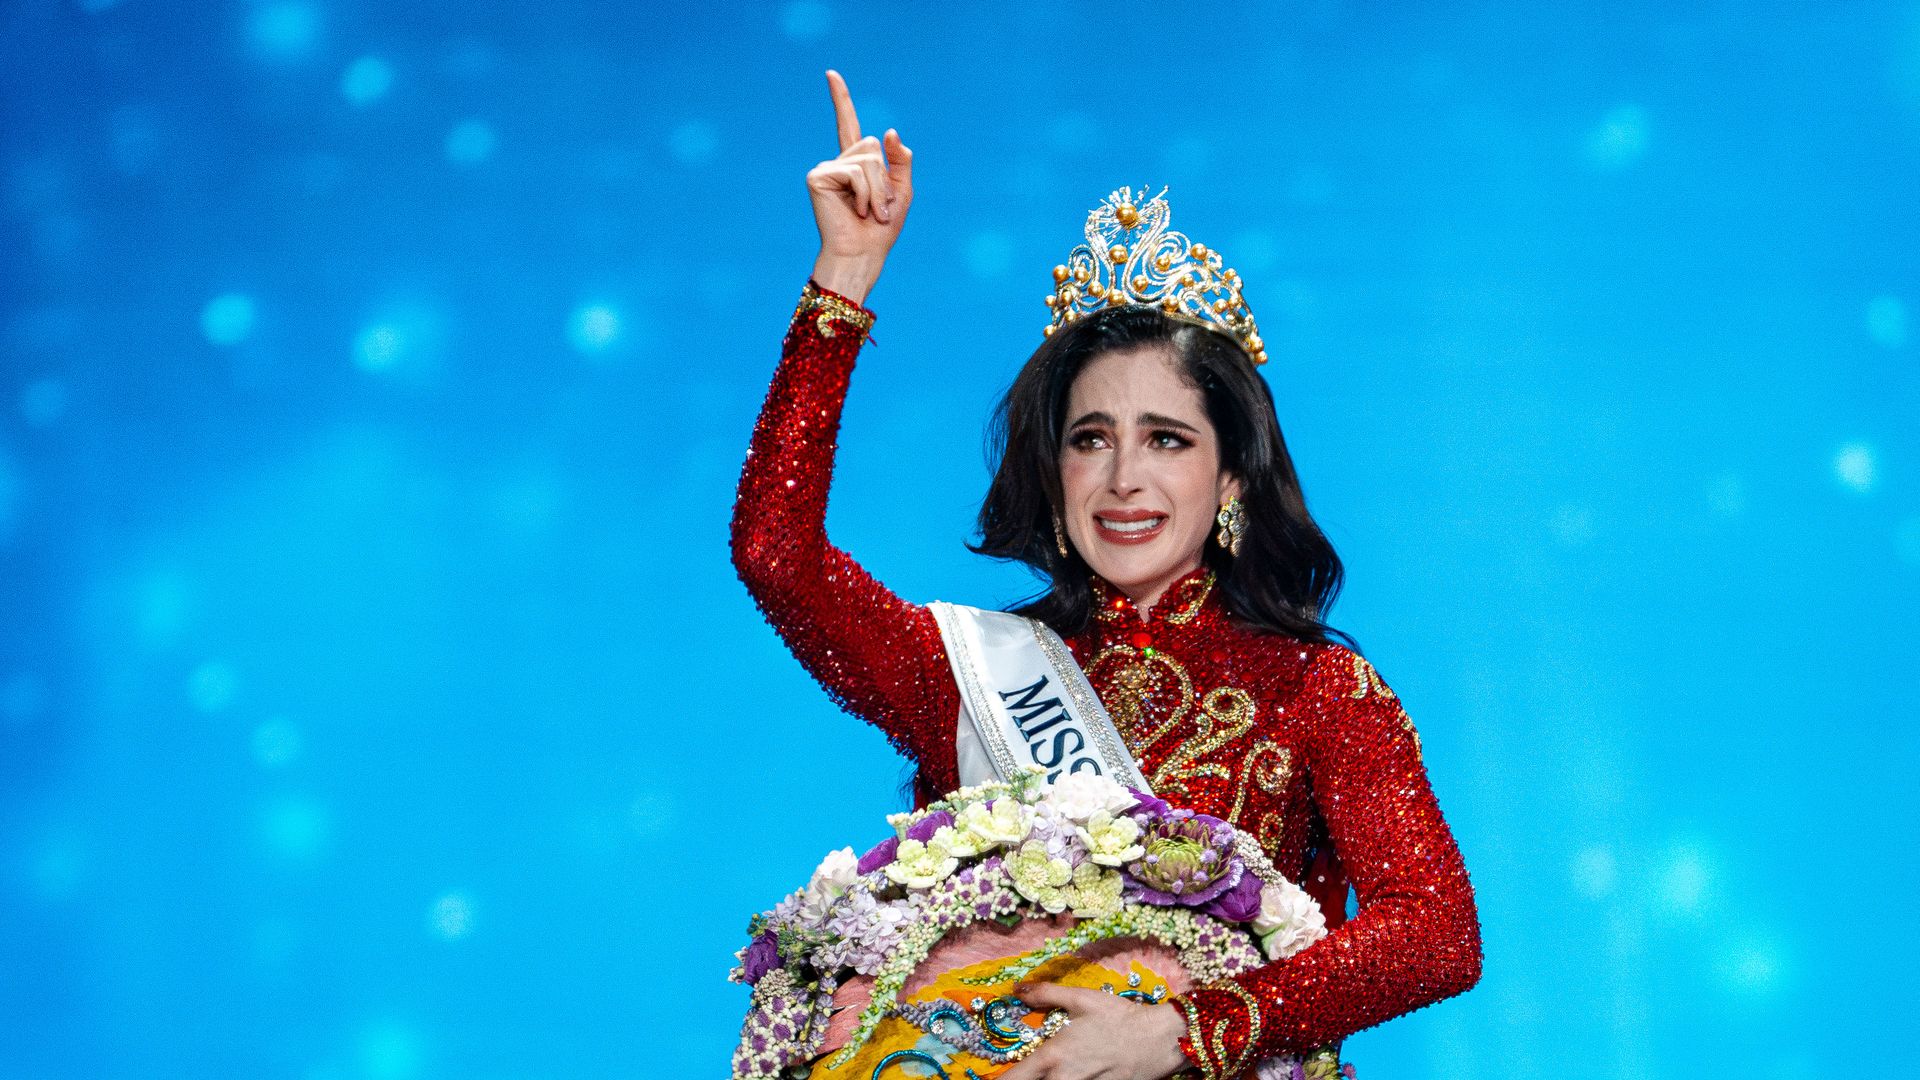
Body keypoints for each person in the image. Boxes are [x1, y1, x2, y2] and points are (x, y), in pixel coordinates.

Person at [730, 70, 1482, 1080]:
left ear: (1230, 475)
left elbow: (1436, 933)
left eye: (1166, 439)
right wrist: (845, 277)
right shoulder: (965, 672)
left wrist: (1190, 1029)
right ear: (1053, 473)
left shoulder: (1319, 693)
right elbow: (775, 550)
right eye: (1091, 439)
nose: (1125, 479)